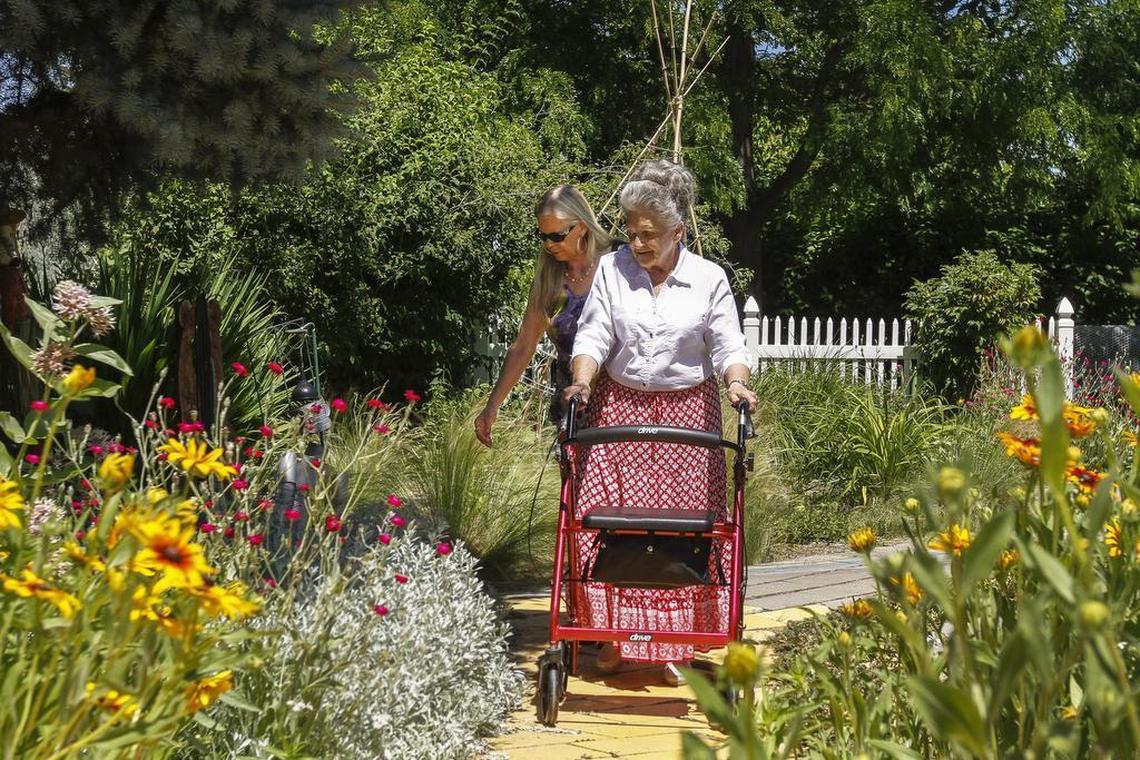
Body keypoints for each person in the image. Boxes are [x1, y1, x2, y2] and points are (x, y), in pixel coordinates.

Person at [563, 159, 758, 684]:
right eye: (631, 232)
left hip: (686, 418)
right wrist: (582, 381)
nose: (638, 243)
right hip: (618, 412)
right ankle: (612, 635)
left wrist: (737, 383)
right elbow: (595, 334)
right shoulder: (612, 270)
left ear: (678, 232)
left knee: (679, 533)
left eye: (649, 235)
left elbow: (727, 344)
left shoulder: (708, 279)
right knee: (609, 523)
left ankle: (672, 643)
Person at [475, 186, 612, 446]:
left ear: (582, 226)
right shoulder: (549, 278)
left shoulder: (620, 261)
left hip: (623, 410)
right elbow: (525, 344)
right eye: (543, 236)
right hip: (574, 414)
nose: (549, 244)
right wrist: (492, 406)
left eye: (557, 236)